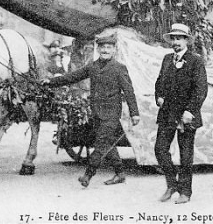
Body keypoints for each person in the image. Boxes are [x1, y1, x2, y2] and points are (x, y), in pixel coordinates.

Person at [43, 34, 140, 187]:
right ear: (98, 49)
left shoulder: (119, 68)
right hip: (96, 112)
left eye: (109, 48)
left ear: (114, 50)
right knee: (107, 143)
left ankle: (88, 175)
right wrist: (51, 82)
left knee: (101, 143)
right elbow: (73, 77)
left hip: (111, 114)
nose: (106, 50)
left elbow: (129, 91)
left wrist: (134, 113)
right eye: (103, 47)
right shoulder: (92, 66)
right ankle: (120, 173)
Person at [154, 23, 208, 205]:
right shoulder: (167, 59)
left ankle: (185, 191)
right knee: (160, 150)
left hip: (186, 115)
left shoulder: (195, 60)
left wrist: (190, 111)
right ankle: (172, 184)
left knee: (185, 155)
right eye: (173, 38)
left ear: (186, 40)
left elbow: (201, 89)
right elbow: (159, 82)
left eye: (179, 38)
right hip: (168, 113)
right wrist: (159, 97)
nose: (175, 42)